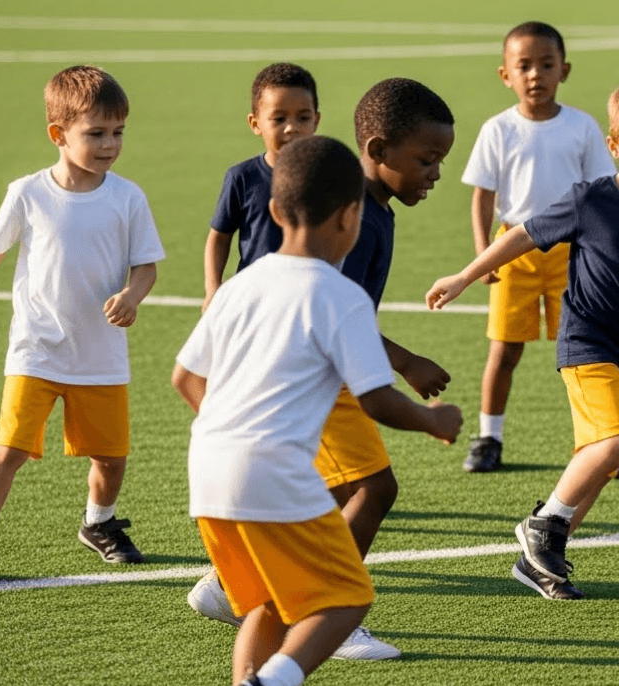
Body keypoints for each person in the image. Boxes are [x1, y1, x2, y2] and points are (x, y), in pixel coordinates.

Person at [427, 79, 619, 601]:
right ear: (615, 147)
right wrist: (464, 275)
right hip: (587, 343)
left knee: (599, 460)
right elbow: (523, 235)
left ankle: (540, 561)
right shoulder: (590, 200)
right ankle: (542, 526)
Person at [172, 136, 462, 686]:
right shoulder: (338, 295)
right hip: (271, 472)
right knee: (345, 597)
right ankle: (271, 682)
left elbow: (184, 378)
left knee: (268, 603)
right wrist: (433, 421)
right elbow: (375, 398)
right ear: (351, 217)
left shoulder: (238, 287)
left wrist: (229, 435)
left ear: (276, 212)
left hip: (208, 474)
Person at [0, 66, 165, 587]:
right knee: (8, 449)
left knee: (111, 459)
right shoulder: (27, 193)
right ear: (58, 134)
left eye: (118, 132)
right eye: (96, 133)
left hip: (100, 354)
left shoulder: (128, 198)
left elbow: (146, 266)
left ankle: (98, 522)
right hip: (35, 351)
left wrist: (132, 295)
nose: (110, 144)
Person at [460, 21, 619, 474]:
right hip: (513, 250)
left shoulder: (582, 127)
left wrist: (604, 253)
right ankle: (489, 438)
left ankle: (601, 440)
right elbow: (483, 196)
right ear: (505, 74)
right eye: (524, 66)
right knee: (505, 350)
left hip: (573, 253)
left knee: (585, 352)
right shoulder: (498, 129)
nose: (535, 75)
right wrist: (482, 254)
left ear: (563, 70)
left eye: (546, 65)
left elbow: (602, 193)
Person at [202, 62, 320, 312]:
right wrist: (213, 290)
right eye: (279, 119)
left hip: (308, 300)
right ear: (255, 123)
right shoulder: (242, 177)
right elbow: (219, 237)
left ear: (316, 120)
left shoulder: (328, 177)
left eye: (303, 118)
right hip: (253, 302)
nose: (292, 127)